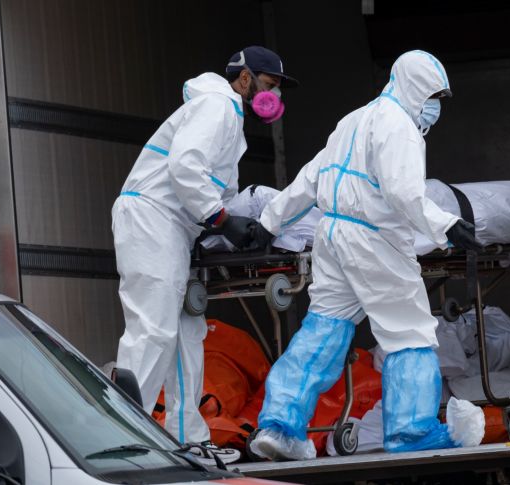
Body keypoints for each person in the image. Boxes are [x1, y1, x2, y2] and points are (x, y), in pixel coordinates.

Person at [248, 50, 483, 460]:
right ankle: (410, 431)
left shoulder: (353, 120)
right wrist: (447, 226)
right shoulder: (400, 126)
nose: (435, 107)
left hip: (332, 235)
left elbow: (311, 177)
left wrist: (269, 221)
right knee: (408, 332)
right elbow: (403, 192)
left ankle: (279, 427)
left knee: (323, 329)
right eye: (434, 96)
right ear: (414, 88)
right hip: (375, 239)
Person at [112, 45, 297, 465]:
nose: (273, 98)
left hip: (175, 228)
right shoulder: (217, 106)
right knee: (153, 330)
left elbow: (216, 190)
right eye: (270, 86)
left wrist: (231, 221)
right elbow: (185, 167)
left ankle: (187, 437)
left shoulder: (229, 120)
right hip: (152, 218)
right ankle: (125, 440)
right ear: (246, 79)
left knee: (186, 332)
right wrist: (221, 220)